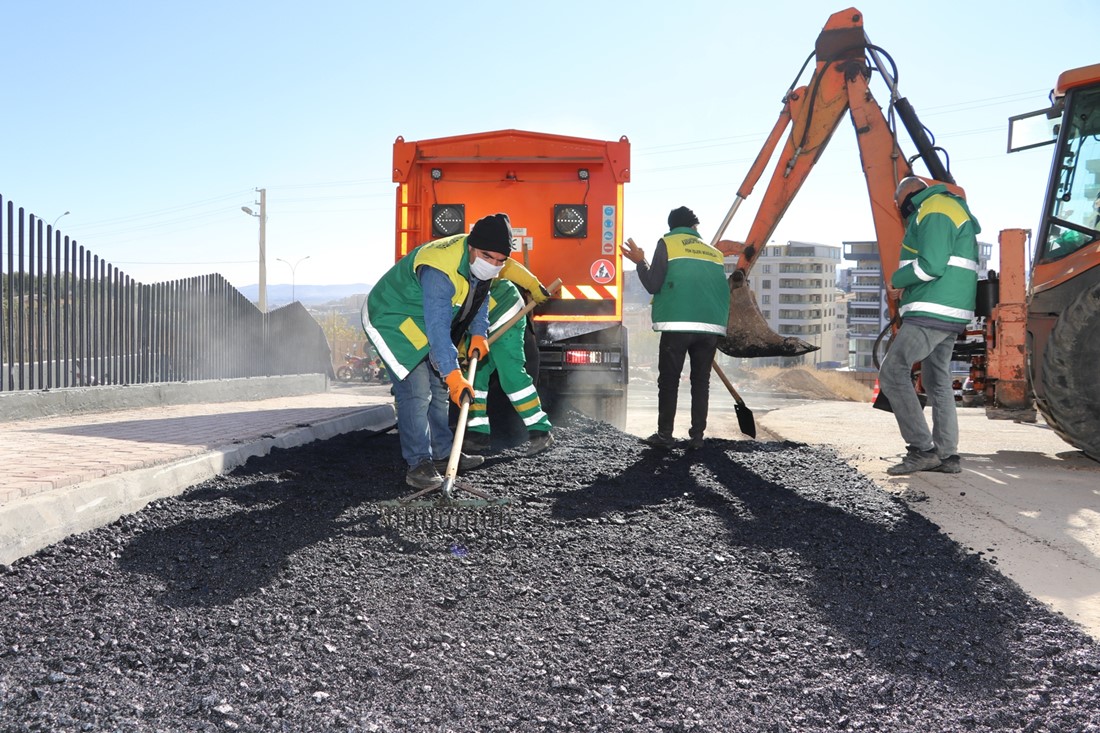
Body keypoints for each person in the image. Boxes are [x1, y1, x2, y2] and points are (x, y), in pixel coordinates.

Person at [363, 212, 524, 490]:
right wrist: (452, 373)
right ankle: (418, 464)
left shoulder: (480, 261)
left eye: (501, 261)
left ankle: (443, 455)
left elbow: (479, 295)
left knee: (438, 393)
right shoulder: (440, 268)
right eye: (488, 257)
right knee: (417, 391)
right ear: (472, 248)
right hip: (392, 318)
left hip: (424, 318)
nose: (494, 265)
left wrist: (478, 332)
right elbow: (438, 330)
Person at [879, 176, 981, 475]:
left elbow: (932, 265)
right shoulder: (947, 207)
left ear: (909, 197)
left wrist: (897, 282)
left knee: (893, 372)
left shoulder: (934, 209)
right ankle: (947, 456)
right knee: (938, 381)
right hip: (948, 309)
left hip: (932, 310)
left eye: (899, 206)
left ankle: (921, 450)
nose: (902, 213)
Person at [620, 206, 730, 450]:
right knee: (701, 381)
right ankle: (697, 437)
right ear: (693, 227)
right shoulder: (714, 252)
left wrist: (640, 262)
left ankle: (665, 434)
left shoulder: (668, 243)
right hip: (711, 327)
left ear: (672, 226)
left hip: (678, 324)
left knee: (669, 380)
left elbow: (653, 283)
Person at [464, 277, 554, 457]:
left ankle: (540, 431)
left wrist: (533, 285)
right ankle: (478, 434)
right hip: (476, 326)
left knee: (511, 376)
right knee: (474, 377)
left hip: (505, 312)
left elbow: (508, 263)